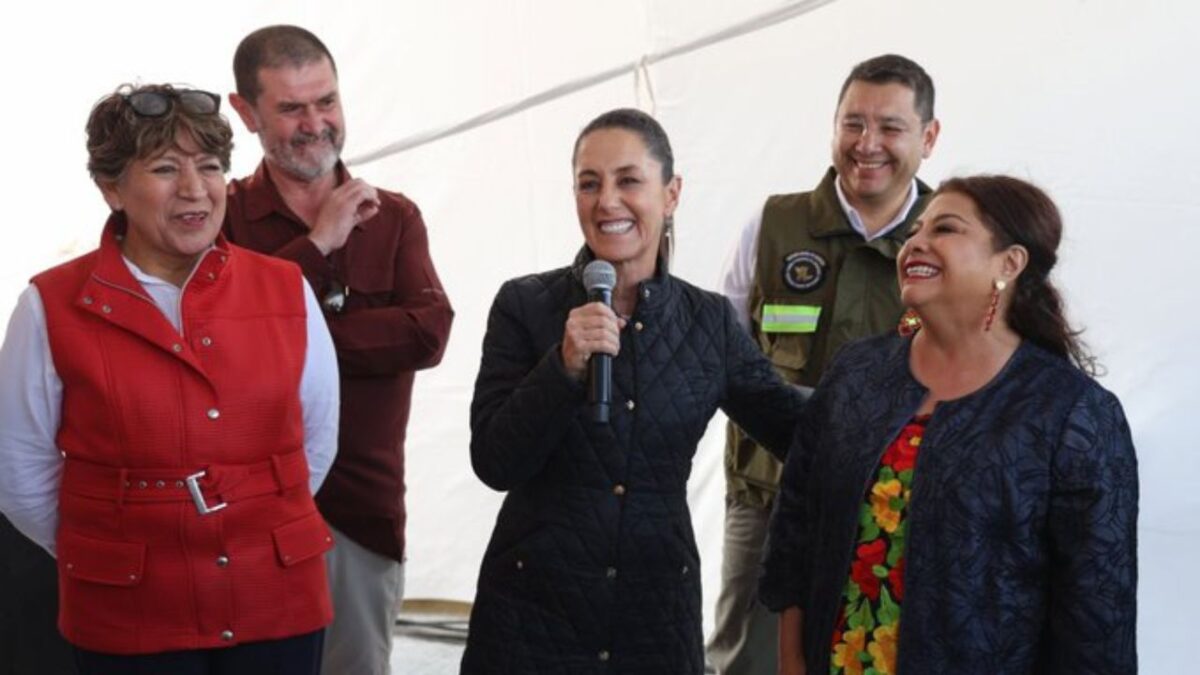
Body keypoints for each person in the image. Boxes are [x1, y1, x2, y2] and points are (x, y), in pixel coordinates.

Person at [0, 83, 340, 673]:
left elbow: (317, 441)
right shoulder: (49, 304)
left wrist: (255, 522)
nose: (194, 189)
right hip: (128, 610)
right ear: (111, 188)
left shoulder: (286, 288)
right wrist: (104, 545)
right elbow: (19, 470)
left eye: (209, 167)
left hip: (277, 597)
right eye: (164, 168)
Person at [461, 108, 807, 674]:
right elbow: (495, 462)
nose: (607, 202)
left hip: (655, 619)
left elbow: (795, 429)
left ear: (671, 194)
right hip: (532, 619)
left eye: (628, 180)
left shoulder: (710, 323)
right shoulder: (524, 306)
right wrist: (562, 368)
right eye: (589, 183)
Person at [759, 175, 1139, 674]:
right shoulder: (857, 373)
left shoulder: (1073, 413)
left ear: (1010, 264)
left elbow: (1097, 619)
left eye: (946, 229)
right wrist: (791, 662)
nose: (916, 242)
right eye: (916, 230)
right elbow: (795, 535)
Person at [223, 25, 455, 675]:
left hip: (362, 514)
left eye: (326, 101)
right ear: (245, 112)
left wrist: (294, 336)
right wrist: (316, 248)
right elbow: (224, 344)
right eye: (291, 107)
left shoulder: (395, 217)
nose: (315, 123)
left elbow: (429, 333)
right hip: (244, 521)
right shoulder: (224, 218)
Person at [710, 54, 940, 675]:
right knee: (748, 659)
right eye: (852, 124)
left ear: (929, 136)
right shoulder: (774, 224)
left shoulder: (954, 236)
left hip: (905, 499)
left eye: (890, 127)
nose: (868, 145)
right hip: (767, 492)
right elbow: (723, 355)